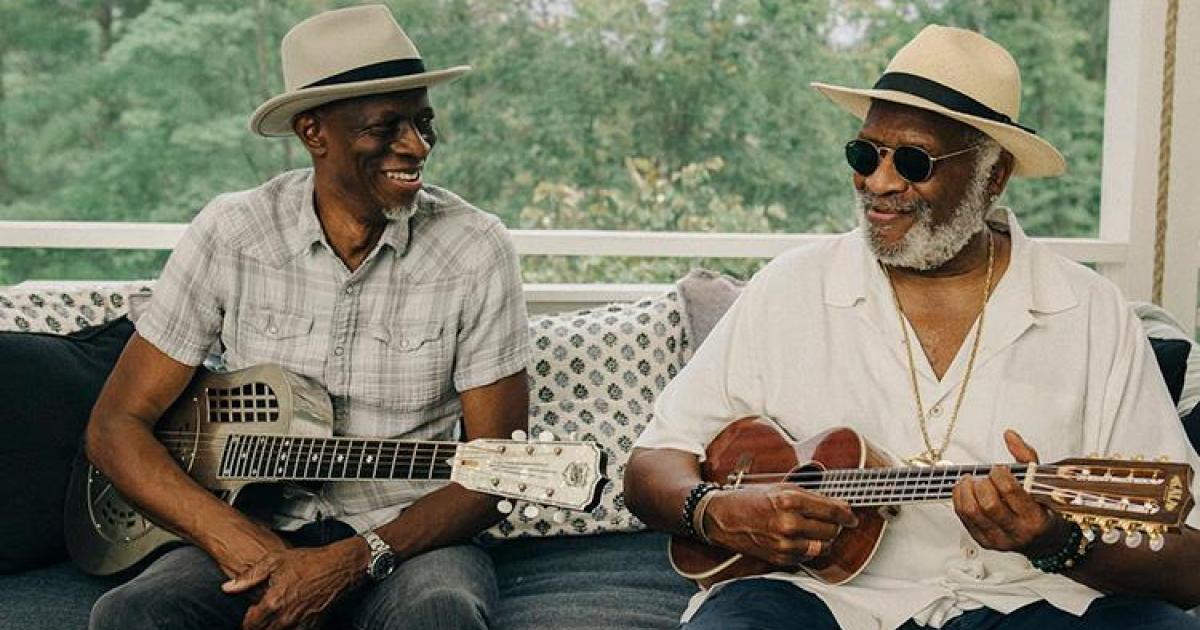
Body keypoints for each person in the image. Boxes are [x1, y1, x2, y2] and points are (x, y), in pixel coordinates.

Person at [625, 24, 1200, 630]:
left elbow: (1189, 565)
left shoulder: (1090, 311)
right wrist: (714, 511)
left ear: (994, 175)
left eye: (913, 161)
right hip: (812, 600)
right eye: (864, 155)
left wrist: (1057, 541)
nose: (879, 182)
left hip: (1031, 601)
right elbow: (649, 466)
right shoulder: (789, 287)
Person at [86, 5, 530, 629]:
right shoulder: (232, 232)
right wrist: (246, 546)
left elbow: (496, 472)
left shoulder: (477, 248)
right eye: (386, 127)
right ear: (314, 133)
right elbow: (115, 427)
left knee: (441, 614)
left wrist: (350, 562)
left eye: (423, 122)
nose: (417, 146)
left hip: (408, 540)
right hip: (252, 526)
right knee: (132, 616)